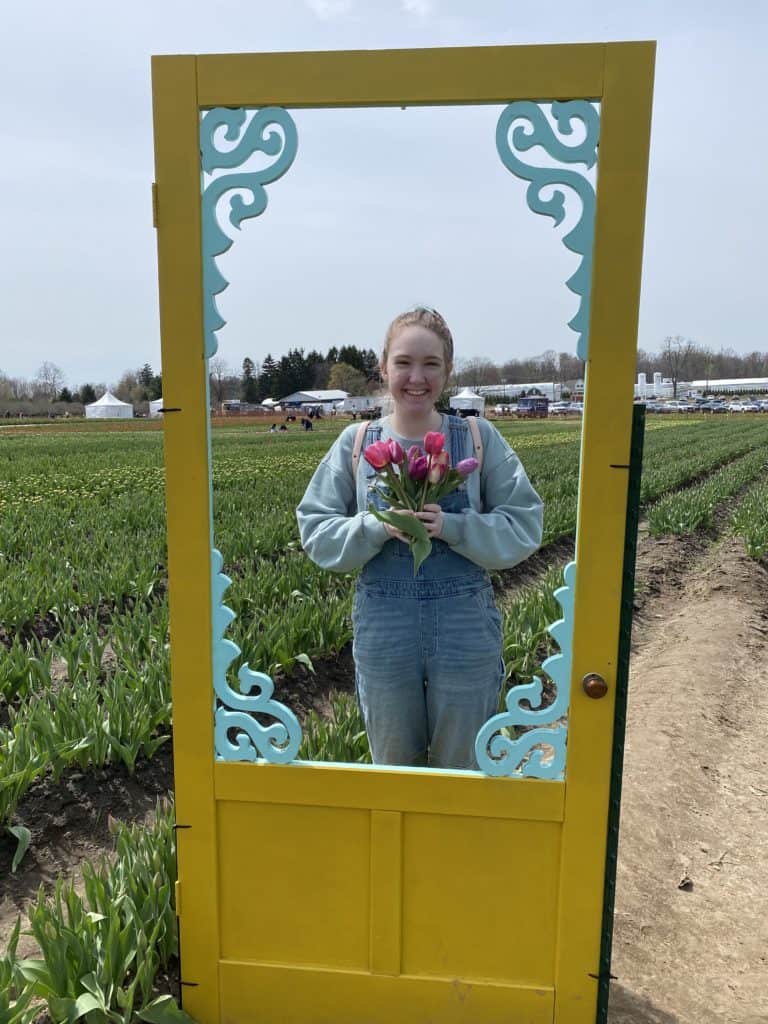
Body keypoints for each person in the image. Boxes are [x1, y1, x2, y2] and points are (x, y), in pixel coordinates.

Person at [296, 307, 543, 770]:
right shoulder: (356, 443)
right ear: (384, 367)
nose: (416, 377)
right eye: (404, 362)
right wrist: (375, 525)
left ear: (448, 371)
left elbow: (525, 524)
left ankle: (457, 845)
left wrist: (452, 526)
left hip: (463, 624)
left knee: (463, 770)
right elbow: (316, 529)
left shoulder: (475, 437)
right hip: (385, 625)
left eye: (431, 364)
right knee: (395, 771)